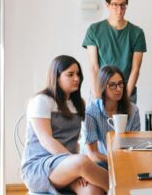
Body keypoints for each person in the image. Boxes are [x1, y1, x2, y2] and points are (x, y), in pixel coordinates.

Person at [21, 55, 108, 194]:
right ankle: (123, 189)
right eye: (70, 74)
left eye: (78, 74)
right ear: (56, 77)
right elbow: (46, 140)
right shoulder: (42, 101)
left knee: (93, 191)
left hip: (69, 166)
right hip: (39, 168)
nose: (77, 78)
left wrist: (76, 167)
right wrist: (75, 163)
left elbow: (75, 142)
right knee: (83, 161)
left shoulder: (79, 103)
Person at [83, 0, 146, 103]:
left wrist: (125, 98)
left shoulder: (137, 33)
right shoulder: (94, 30)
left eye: (123, 5)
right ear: (107, 5)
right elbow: (93, 67)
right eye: (115, 5)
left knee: (126, 122)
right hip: (101, 90)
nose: (119, 10)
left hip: (126, 91)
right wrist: (97, 96)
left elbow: (135, 69)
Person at [82, 65, 141, 169]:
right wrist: (116, 161)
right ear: (103, 87)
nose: (118, 89)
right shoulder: (91, 111)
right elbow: (93, 154)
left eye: (120, 84)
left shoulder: (133, 110)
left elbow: (135, 145)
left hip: (126, 161)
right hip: (99, 162)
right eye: (112, 85)